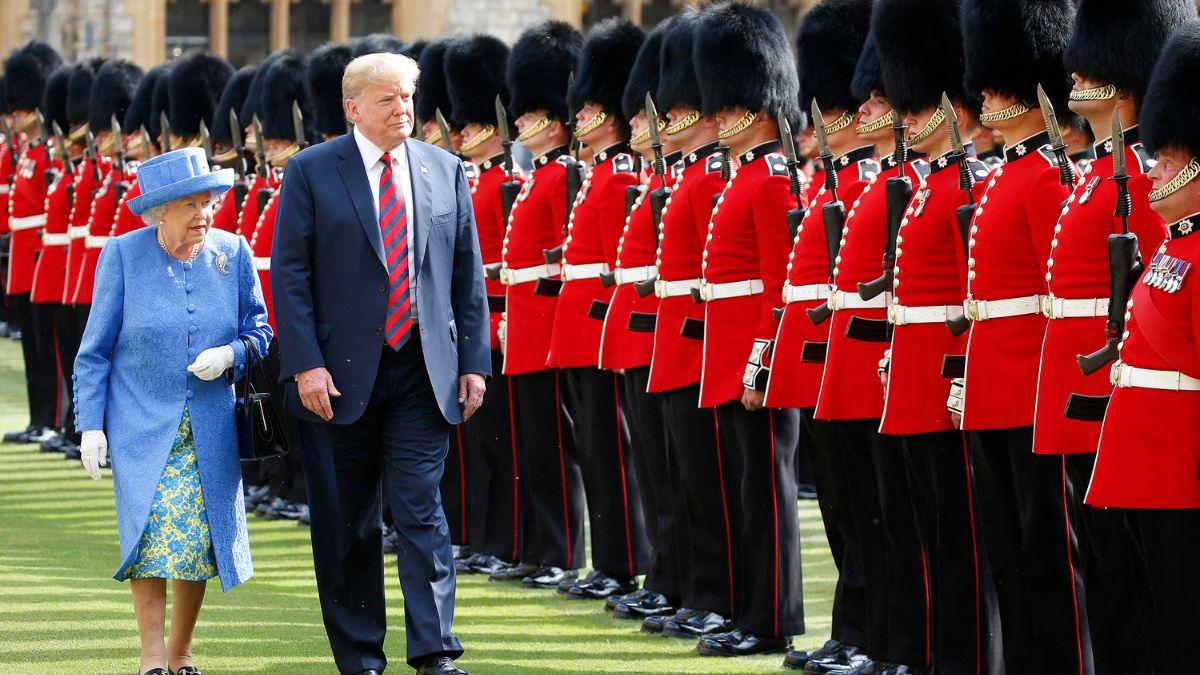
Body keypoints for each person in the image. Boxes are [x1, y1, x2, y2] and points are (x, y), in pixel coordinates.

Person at [271, 50, 490, 675]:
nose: (404, 110)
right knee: (347, 523)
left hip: (424, 368)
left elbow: (465, 274)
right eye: (390, 99)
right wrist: (306, 365)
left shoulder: (444, 169)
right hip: (338, 377)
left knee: (422, 509)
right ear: (353, 108)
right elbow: (289, 277)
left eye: (410, 97)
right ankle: (361, 655)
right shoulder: (312, 171)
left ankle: (435, 652)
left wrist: (473, 361)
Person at [72, 146, 270, 675]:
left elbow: (261, 332)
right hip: (139, 423)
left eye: (208, 203)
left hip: (208, 425)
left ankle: (181, 653)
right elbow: (94, 351)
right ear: (161, 212)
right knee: (152, 533)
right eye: (191, 206)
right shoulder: (123, 255)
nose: (204, 215)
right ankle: (151, 655)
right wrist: (90, 425)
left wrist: (231, 354)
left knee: (195, 538)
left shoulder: (233, 253)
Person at [1040, 2, 1192, 672]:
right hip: (1113, 415)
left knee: (1153, 601)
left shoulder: (1139, 182)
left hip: (1152, 436)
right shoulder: (1101, 178)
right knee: (1114, 586)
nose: (1075, 74)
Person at [957, 2, 1090, 672]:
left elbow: (1055, 302)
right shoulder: (1006, 175)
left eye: (998, 82)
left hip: (1030, 390)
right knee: (1007, 551)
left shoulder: (1044, 179)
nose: (983, 93)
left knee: (1049, 556)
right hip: (991, 387)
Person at [873, 1, 997, 671]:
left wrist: (956, 377)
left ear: (955, 105)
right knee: (928, 532)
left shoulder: (961, 184)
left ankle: (967, 658)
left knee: (959, 539)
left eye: (921, 106)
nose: (909, 117)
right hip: (913, 376)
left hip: (945, 380)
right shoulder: (929, 186)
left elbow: (967, 297)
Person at [691, 1, 805, 657]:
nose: (718, 117)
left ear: (759, 104)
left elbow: (778, 283)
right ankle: (749, 609)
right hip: (729, 351)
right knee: (745, 492)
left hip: (754, 357)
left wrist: (762, 362)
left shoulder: (771, 179)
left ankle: (772, 617)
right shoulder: (744, 176)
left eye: (729, 106)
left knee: (768, 491)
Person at [1087, 20, 1200, 674]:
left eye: (1168, 156)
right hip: (1138, 465)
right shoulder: (1169, 246)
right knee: (1148, 623)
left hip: (1178, 473)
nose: (1154, 166)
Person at [548, 17, 650, 601]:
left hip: (603, 327)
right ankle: (609, 559)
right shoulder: (601, 174)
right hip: (584, 326)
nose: (576, 119)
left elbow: (620, 267)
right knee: (595, 447)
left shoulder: (622, 175)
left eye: (585, 110)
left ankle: (624, 560)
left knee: (615, 449)